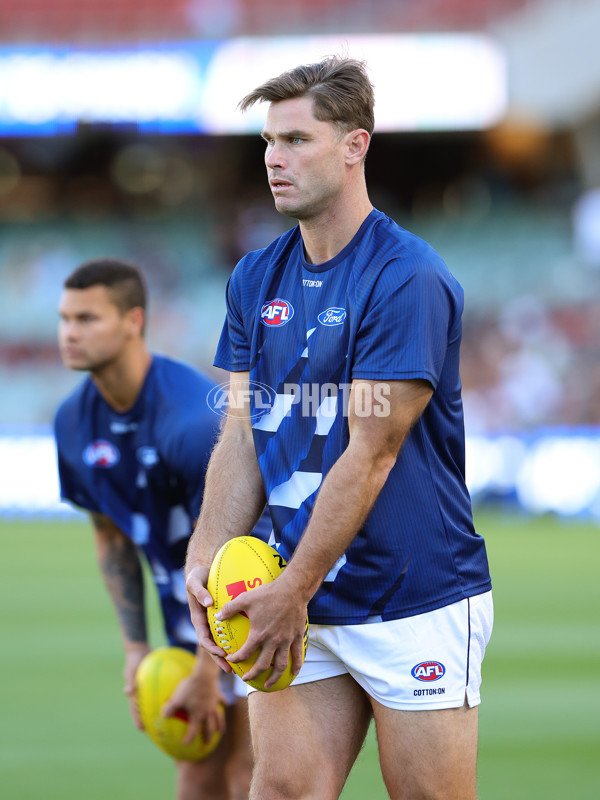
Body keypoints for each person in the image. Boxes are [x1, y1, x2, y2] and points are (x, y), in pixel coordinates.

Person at [185, 56, 493, 800]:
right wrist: (204, 555)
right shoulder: (254, 278)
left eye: (295, 139)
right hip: (294, 585)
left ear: (355, 146)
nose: (272, 159)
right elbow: (241, 432)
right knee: (283, 790)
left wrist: (295, 584)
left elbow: (373, 451)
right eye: (267, 141)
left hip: (410, 592)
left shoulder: (404, 277)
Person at [54, 259, 267, 800]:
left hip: (245, 604)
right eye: (64, 319)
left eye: (86, 319)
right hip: (185, 619)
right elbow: (111, 535)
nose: (69, 333)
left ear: (133, 321)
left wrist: (208, 671)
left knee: (250, 774)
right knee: (196, 775)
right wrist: (135, 648)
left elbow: (233, 541)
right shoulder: (72, 422)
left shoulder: (192, 420)